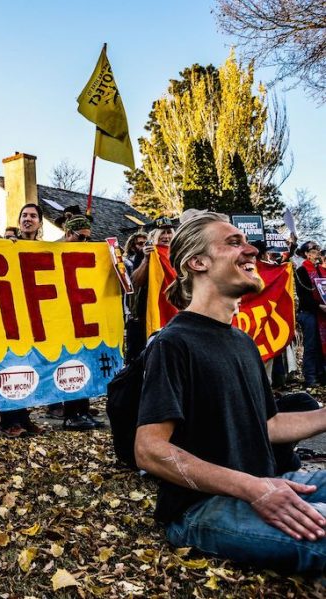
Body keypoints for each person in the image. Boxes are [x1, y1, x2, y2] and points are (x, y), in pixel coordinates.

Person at [135, 211, 326, 573]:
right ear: (198, 262)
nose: (251, 250)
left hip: (268, 484)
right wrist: (253, 489)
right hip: (201, 508)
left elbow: (266, 425)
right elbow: (149, 450)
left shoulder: (243, 342)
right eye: (234, 243)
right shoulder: (173, 342)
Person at [0, 204, 46, 438]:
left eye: (33, 216)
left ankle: (24, 418)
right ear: (19, 221)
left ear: (39, 223)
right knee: (10, 367)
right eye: (24, 215)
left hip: (33, 318)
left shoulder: (45, 249)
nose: (28, 219)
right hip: (9, 315)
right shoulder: (6, 245)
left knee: (28, 368)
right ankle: (8, 421)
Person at [58, 216, 105, 431]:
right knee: (70, 366)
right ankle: (71, 414)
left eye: (89, 239)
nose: (86, 243)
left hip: (84, 319)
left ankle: (83, 411)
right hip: (64, 321)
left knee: (85, 364)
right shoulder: (55, 252)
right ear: (69, 234)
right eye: (81, 238)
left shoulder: (85, 253)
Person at [126, 217, 176, 363]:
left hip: (175, 305)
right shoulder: (146, 252)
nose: (166, 236)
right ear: (155, 234)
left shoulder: (177, 253)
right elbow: (135, 281)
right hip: (149, 308)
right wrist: (147, 260)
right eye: (162, 233)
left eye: (169, 232)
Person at [293, 240, 326, 390]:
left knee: (322, 345)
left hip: (321, 313)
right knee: (311, 346)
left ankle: (322, 375)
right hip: (309, 313)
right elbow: (304, 296)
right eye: (313, 252)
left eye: (318, 251)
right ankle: (310, 377)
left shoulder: (321, 270)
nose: (316, 254)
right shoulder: (301, 271)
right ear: (306, 254)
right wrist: (319, 305)